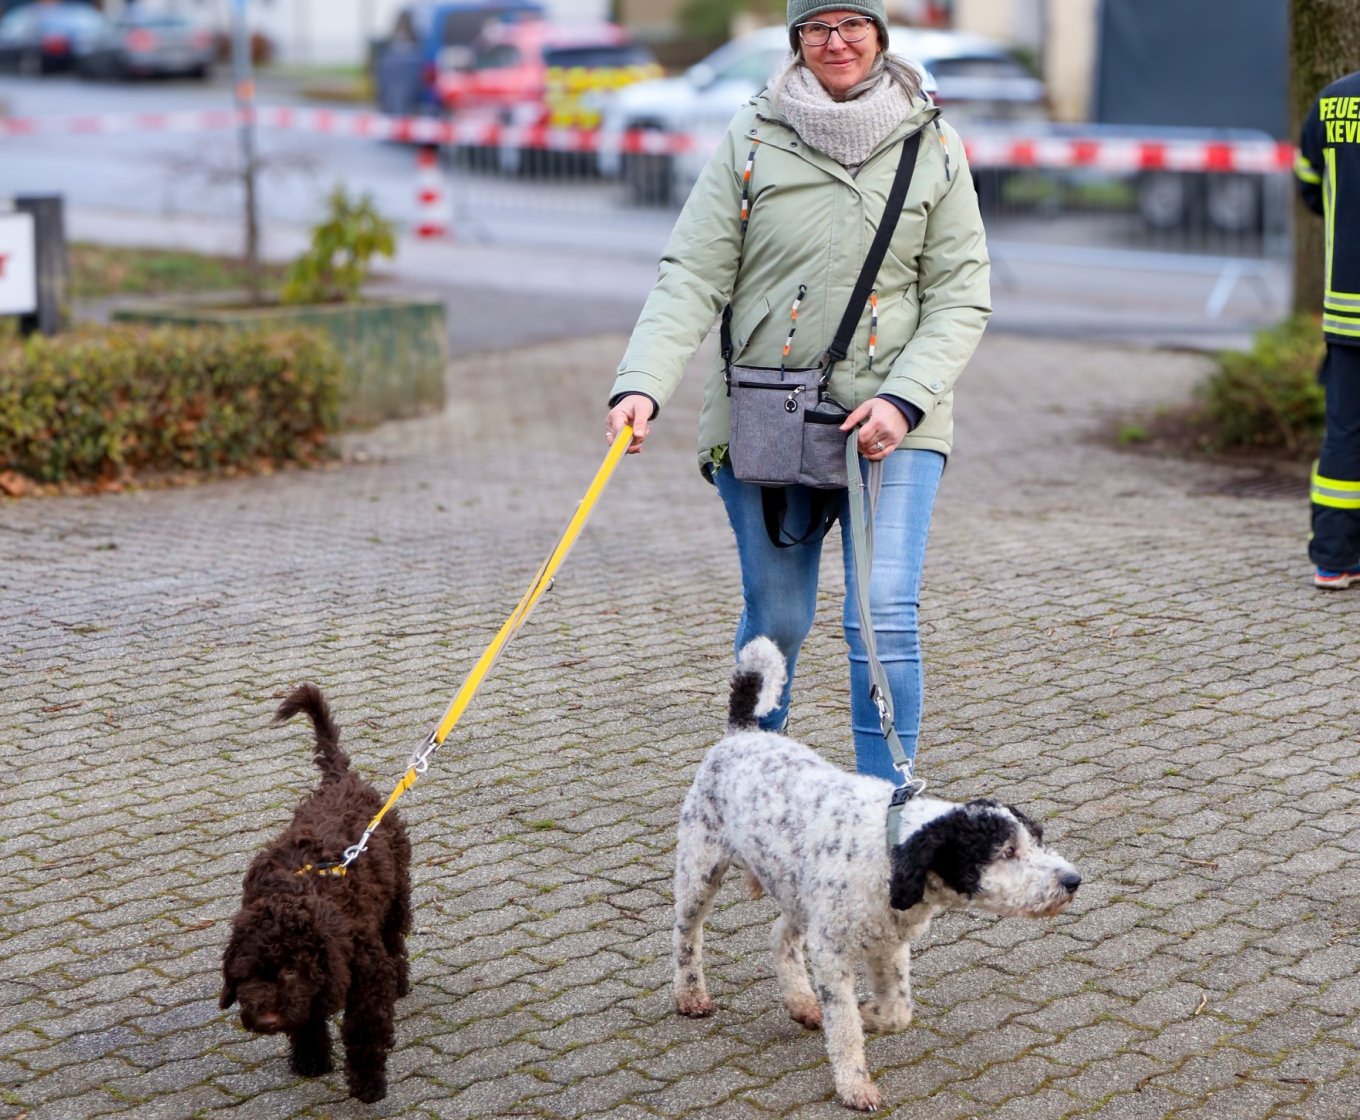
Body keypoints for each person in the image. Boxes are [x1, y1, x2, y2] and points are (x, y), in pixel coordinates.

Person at [605, 0, 990, 781]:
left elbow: (961, 293)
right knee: (778, 616)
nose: (834, 42)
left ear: (879, 33)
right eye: (816, 27)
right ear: (795, 39)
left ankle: (885, 806)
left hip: (892, 422)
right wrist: (641, 384)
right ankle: (749, 783)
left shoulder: (934, 143)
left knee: (883, 615)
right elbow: (693, 273)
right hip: (765, 412)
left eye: (852, 24)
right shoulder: (752, 135)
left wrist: (903, 400)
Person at [1296, 69, 1360, 589]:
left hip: (1347, 303)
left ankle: (1335, 558)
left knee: (1345, 430)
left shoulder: (1332, 101)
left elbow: (1308, 184)